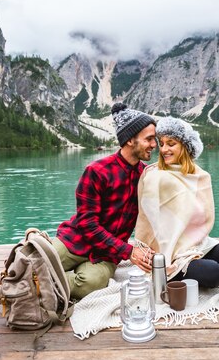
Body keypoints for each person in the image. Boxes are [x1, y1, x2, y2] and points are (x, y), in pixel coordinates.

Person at [135, 116, 219, 288]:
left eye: (171, 144)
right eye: (161, 143)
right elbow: (150, 221)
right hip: (170, 254)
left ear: (185, 146)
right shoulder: (154, 175)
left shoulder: (199, 175)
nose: (164, 149)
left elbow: (200, 218)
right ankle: (213, 266)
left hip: (199, 244)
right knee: (215, 274)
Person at [52, 103, 156, 299]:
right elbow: (86, 223)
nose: (154, 145)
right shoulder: (97, 171)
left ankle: (41, 283)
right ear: (130, 140)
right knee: (38, 261)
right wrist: (128, 251)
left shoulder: (146, 175)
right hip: (75, 240)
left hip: (108, 254)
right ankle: (35, 276)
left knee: (91, 284)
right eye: (149, 139)